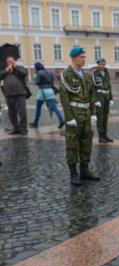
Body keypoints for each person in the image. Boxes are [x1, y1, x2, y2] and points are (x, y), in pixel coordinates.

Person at [59, 46, 100, 186]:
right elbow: (64, 97)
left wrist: (93, 113)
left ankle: (84, 170)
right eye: (81, 57)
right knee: (72, 144)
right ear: (74, 58)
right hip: (74, 115)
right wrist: (69, 117)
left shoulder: (87, 76)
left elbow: (91, 96)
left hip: (86, 114)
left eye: (84, 57)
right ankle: (73, 173)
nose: (84, 59)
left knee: (86, 142)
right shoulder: (66, 75)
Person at [29, 62, 64, 129]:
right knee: (55, 108)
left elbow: (37, 82)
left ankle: (35, 123)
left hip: (42, 91)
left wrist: (34, 78)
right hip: (50, 90)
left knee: (38, 108)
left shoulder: (39, 73)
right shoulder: (49, 72)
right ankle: (61, 120)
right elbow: (53, 80)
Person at [0, 56, 29, 135]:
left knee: (22, 112)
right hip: (8, 94)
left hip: (20, 93)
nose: (10, 63)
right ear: (6, 63)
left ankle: (23, 129)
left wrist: (15, 67)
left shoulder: (20, 68)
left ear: (14, 61)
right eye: (8, 62)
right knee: (11, 113)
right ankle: (15, 128)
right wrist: (6, 70)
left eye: (11, 61)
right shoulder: (4, 70)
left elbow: (24, 73)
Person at [92, 58, 114, 143]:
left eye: (103, 64)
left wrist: (111, 98)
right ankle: (101, 136)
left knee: (105, 117)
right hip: (99, 96)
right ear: (97, 64)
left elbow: (109, 86)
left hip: (106, 96)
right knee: (100, 117)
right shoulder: (94, 73)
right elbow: (93, 88)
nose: (101, 66)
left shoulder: (107, 72)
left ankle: (105, 135)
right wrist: (95, 100)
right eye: (100, 64)